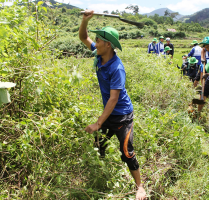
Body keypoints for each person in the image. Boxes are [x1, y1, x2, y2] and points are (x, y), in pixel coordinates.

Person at [79, 10, 146, 199]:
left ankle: (139, 186)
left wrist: (97, 123)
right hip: (109, 114)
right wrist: (85, 20)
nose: (95, 43)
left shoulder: (117, 68)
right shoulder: (99, 54)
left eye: (99, 40)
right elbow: (83, 36)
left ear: (108, 45)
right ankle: (101, 171)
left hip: (123, 116)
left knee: (126, 152)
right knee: (99, 144)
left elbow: (114, 99)